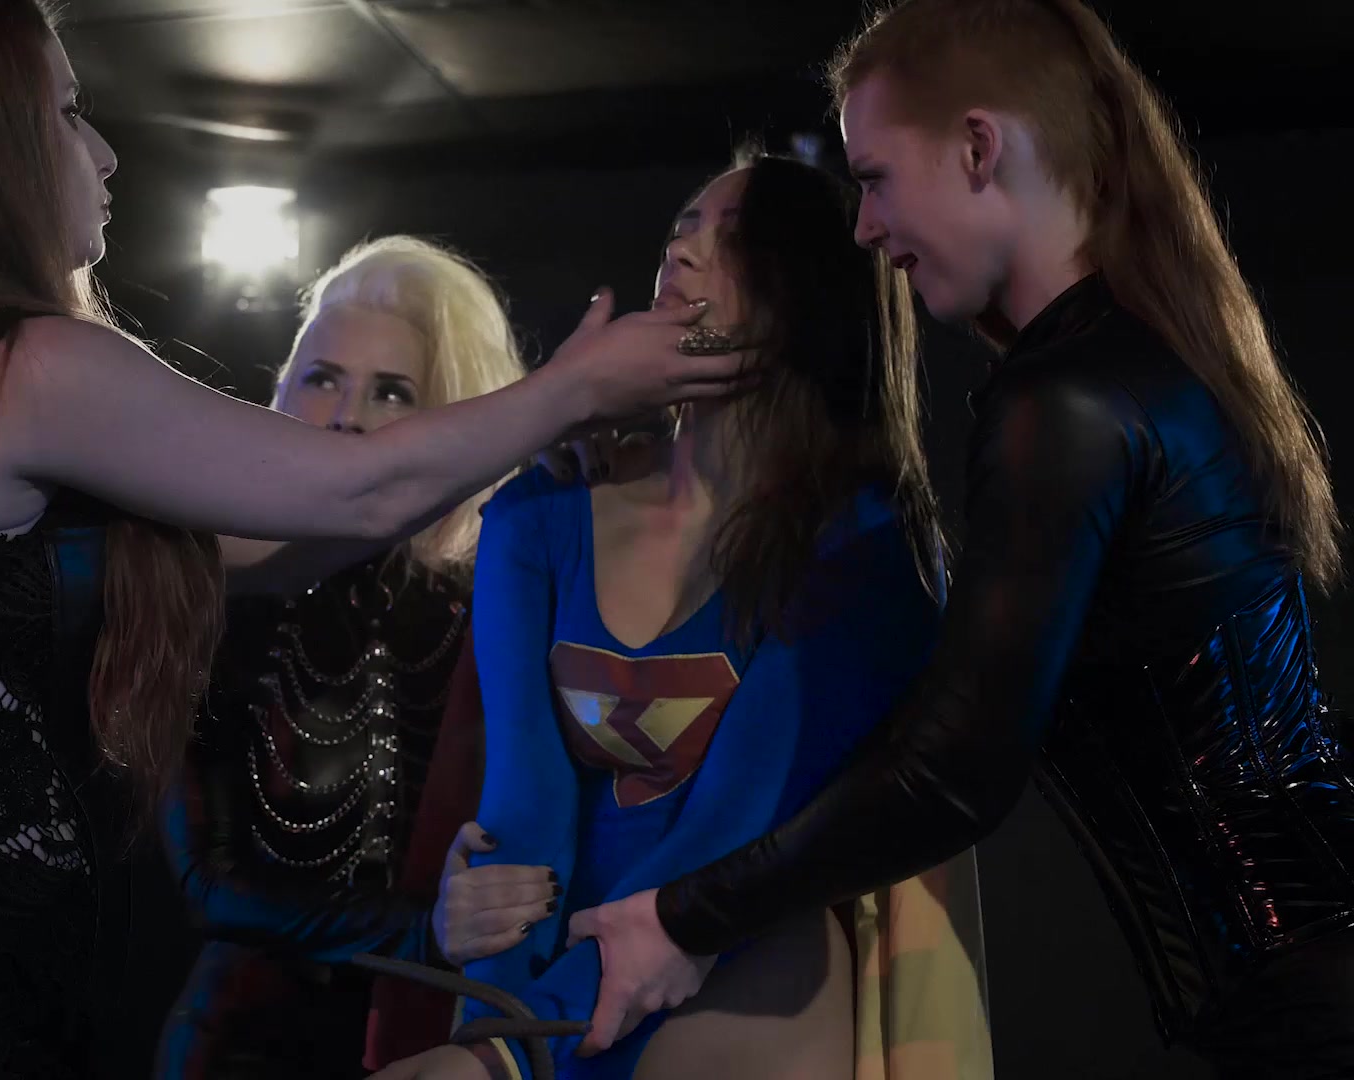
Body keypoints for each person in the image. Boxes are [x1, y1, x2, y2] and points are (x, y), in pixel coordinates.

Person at [0, 0, 752, 1074]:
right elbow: (357, 491)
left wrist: (539, 445)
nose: (103, 154)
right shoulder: (16, 364)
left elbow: (279, 546)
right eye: (67, 113)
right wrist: (576, 387)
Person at [568, 3, 1354, 1078]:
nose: (864, 226)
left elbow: (956, 770)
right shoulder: (1142, 356)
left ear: (980, 148)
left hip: (1310, 994)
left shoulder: (1066, 401)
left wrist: (682, 918)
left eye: (877, 178)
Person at [373, 150, 960, 1080]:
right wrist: (494, 1033)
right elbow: (522, 816)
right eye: (683, 227)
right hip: (542, 989)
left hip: (736, 973)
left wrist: (511, 1057)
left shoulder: (864, 548)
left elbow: (735, 829)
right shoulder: (539, 512)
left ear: (809, 289)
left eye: (734, 237)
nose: (682, 250)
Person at [155, 236, 526, 1078]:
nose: (347, 416)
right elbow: (204, 885)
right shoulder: (213, 598)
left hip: (451, 1043)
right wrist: (425, 930)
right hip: (243, 1052)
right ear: (281, 394)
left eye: (393, 391)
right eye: (322, 378)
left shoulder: (503, 605)